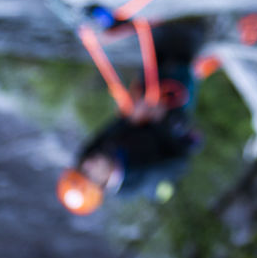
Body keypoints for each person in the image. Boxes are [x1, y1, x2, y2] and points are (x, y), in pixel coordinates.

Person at [57, 20, 209, 215]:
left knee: (154, 62)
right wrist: (160, 122)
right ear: (103, 184)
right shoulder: (142, 181)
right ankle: (189, 42)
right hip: (170, 127)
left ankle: (159, 33)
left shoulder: (92, 152)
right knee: (181, 56)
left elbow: (113, 127)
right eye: (88, 173)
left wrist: (132, 117)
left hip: (143, 111)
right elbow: (181, 160)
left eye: (81, 168)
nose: (87, 163)